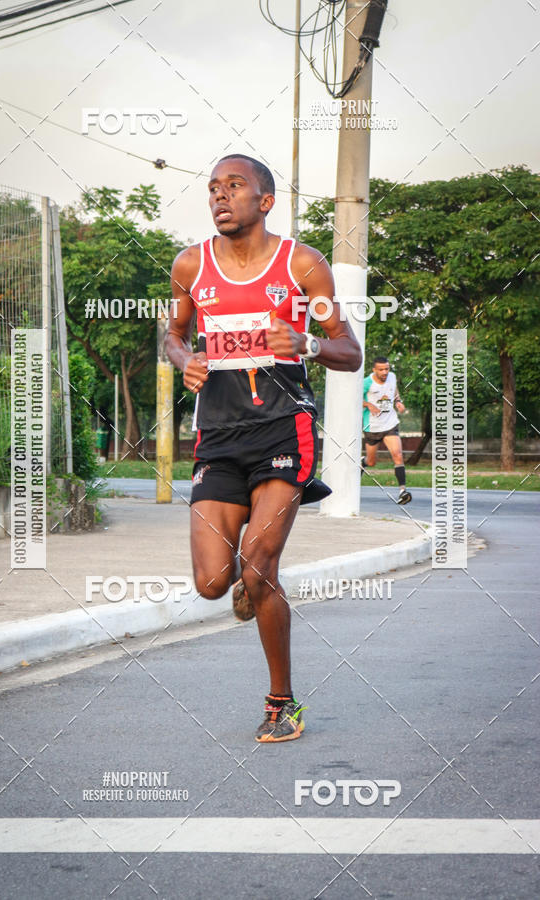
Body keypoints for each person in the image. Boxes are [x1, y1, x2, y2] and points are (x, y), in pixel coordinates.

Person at [165, 154, 361, 742]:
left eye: (234, 186)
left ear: (265, 200)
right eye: (213, 188)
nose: (221, 197)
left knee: (259, 564)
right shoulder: (190, 265)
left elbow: (347, 350)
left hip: (282, 428)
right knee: (210, 582)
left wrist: (305, 342)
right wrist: (185, 360)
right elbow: (173, 334)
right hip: (218, 437)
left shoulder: (302, 265)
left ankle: (282, 702)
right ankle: (250, 578)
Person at [361, 357, 412, 505]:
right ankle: (363, 462)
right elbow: (355, 398)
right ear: (374, 370)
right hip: (372, 427)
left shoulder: (392, 377)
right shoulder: (366, 383)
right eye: (381, 369)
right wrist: (369, 404)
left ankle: (403, 491)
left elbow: (394, 389)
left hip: (390, 424)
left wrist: (398, 401)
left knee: (397, 455)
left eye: (387, 369)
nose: (385, 372)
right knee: (371, 462)